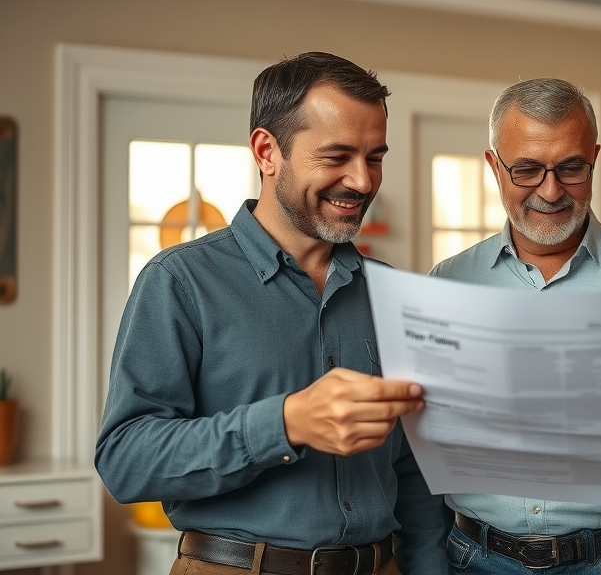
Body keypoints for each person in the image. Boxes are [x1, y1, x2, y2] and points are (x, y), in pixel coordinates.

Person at [95, 52, 447, 575]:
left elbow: (413, 469)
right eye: (337, 156)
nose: (362, 181)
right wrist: (285, 423)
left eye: (374, 157)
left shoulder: (392, 294)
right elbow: (125, 461)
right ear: (267, 152)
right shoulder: (180, 281)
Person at [431, 77, 601, 574]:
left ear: (594, 160)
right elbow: (425, 445)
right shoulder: (447, 284)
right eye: (527, 170)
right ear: (494, 167)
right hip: (475, 561)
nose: (550, 191)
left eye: (570, 168)